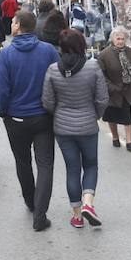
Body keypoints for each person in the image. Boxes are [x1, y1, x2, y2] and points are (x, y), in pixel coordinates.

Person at [0, 11, 60, 231]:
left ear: (17, 27)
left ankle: (31, 201)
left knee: (22, 163)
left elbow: (2, 89)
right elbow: (58, 81)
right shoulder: (49, 51)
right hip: (43, 116)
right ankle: (40, 215)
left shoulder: (5, 54)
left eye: (13, 22)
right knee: (45, 164)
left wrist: (2, 111)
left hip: (16, 117)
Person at [42, 29, 109, 228]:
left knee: (72, 168)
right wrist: (94, 114)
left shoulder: (53, 69)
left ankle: (77, 215)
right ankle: (89, 203)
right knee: (91, 165)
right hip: (88, 125)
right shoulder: (93, 67)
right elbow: (102, 98)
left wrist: (60, 114)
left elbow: (47, 101)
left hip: (63, 128)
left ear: (61, 47)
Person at [98, 26, 131, 152]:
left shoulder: (130, 52)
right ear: (112, 39)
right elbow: (101, 75)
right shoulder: (104, 55)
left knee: (127, 116)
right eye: (118, 38)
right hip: (112, 92)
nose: (120, 41)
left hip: (127, 90)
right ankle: (115, 137)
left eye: (123, 39)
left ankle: (129, 141)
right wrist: (112, 88)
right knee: (112, 116)